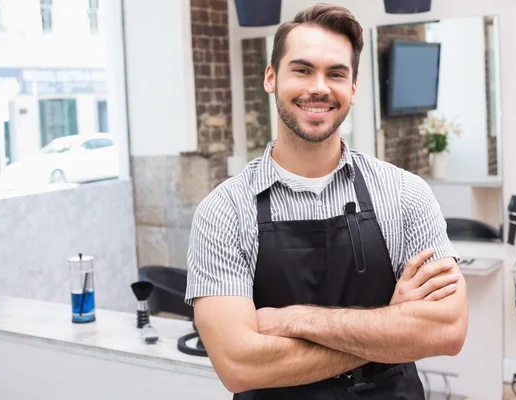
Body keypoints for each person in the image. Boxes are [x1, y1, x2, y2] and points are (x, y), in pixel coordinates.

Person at [185, 3, 468, 399]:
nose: (319, 87)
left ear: (352, 88)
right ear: (271, 78)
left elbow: (447, 330)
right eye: (301, 70)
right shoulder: (224, 212)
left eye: (336, 73)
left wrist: (294, 320)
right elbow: (238, 365)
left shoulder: (404, 193)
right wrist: (392, 325)